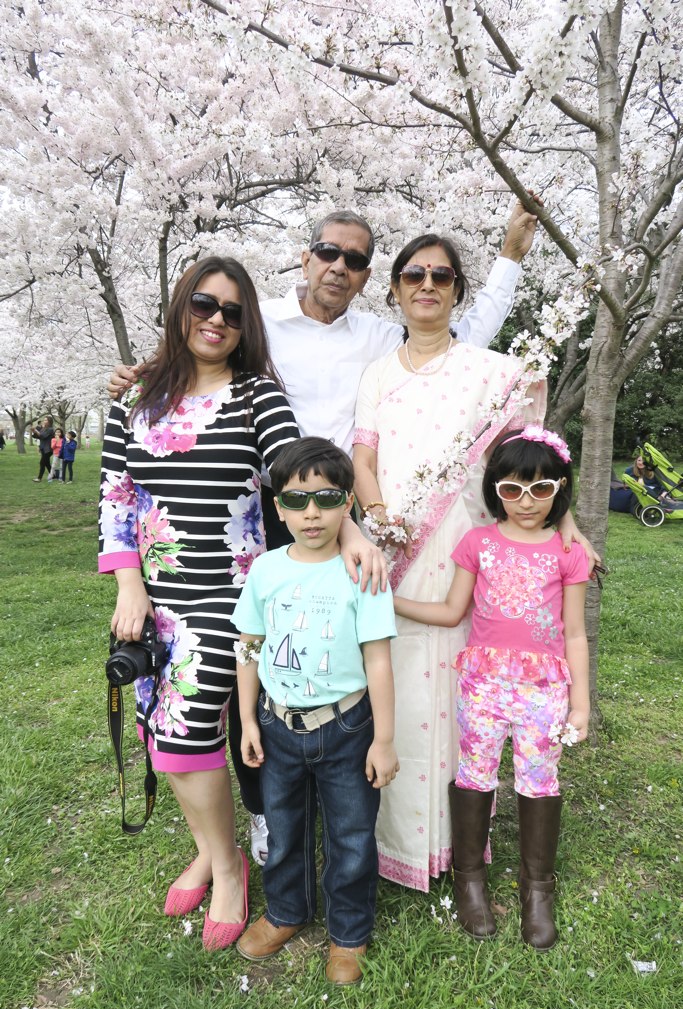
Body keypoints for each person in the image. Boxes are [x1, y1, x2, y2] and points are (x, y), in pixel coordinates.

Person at [105, 205, 539, 858]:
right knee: (248, 672)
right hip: (255, 520)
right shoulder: (261, 324)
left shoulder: (377, 336)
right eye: (328, 253)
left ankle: (341, 789)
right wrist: (144, 372)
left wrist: (508, 255)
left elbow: (461, 335)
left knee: (329, 667)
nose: (339, 267)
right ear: (305, 258)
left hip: (339, 517)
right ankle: (264, 810)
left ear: (368, 276)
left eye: (356, 259)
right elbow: (200, 352)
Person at [352, 233, 584, 893]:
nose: (427, 285)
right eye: (413, 275)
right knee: (399, 690)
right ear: (394, 289)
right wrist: (379, 521)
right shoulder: (377, 373)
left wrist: (566, 524)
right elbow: (363, 460)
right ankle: (396, 843)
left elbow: (529, 466)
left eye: (442, 276)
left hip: (464, 551)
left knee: (459, 697)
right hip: (395, 548)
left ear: (457, 290)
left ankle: (461, 855)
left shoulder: (492, 371)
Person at [99, 255, 300, 950]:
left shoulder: (258, 398)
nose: (216, 320)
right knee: (163, 739)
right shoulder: (133, 399)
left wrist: (345, 516)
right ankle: (213, 850)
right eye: (204, 305)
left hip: (233, 594)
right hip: (154, 597)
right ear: (182, 306)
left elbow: (293, 467)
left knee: (184, 738)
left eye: (233, 313)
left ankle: (228, 870)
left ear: (246, 328)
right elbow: (116, 500)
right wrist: (129, 583)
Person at [393, 428, 589, 950]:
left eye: (541, 489)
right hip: (482, 687)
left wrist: (582, 704)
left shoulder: (568, 551)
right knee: (475, 776)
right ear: (495, 491)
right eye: (512, 489)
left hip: (545, 691)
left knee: (538, 780)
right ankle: (470, 882)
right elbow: (453, 611)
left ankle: (537, 891)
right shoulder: (478, 543)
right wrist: (389, 601)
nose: (526, 502)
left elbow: (574, 632)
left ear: (560, 489)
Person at [232, 437, 398, 984]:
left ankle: (348, 932)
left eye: (327, 499)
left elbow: (378, 660)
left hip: (348, 726)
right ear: (277, 506)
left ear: (346, 503)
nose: (311, 513)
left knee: (351, 834)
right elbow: (250, 646)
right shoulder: (265, 571)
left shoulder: (363, 572)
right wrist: (250, 718)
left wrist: (384, 738)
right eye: (297, 501)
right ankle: (285, 911)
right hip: (280, 725)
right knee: (283, 826)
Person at [31, 416, 54, 481]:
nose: (44, 421)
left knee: (42, 463)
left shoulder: (50, 429)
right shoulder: (43, 428)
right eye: (44, 420)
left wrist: (36, 430)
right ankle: (53, 475)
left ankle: (39, 478)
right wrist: (34, 432)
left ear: (49, 421)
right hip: (43, 448)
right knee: (47, 463)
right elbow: (38, 436)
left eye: (46, 420)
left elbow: (43, 436)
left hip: (48, 449)